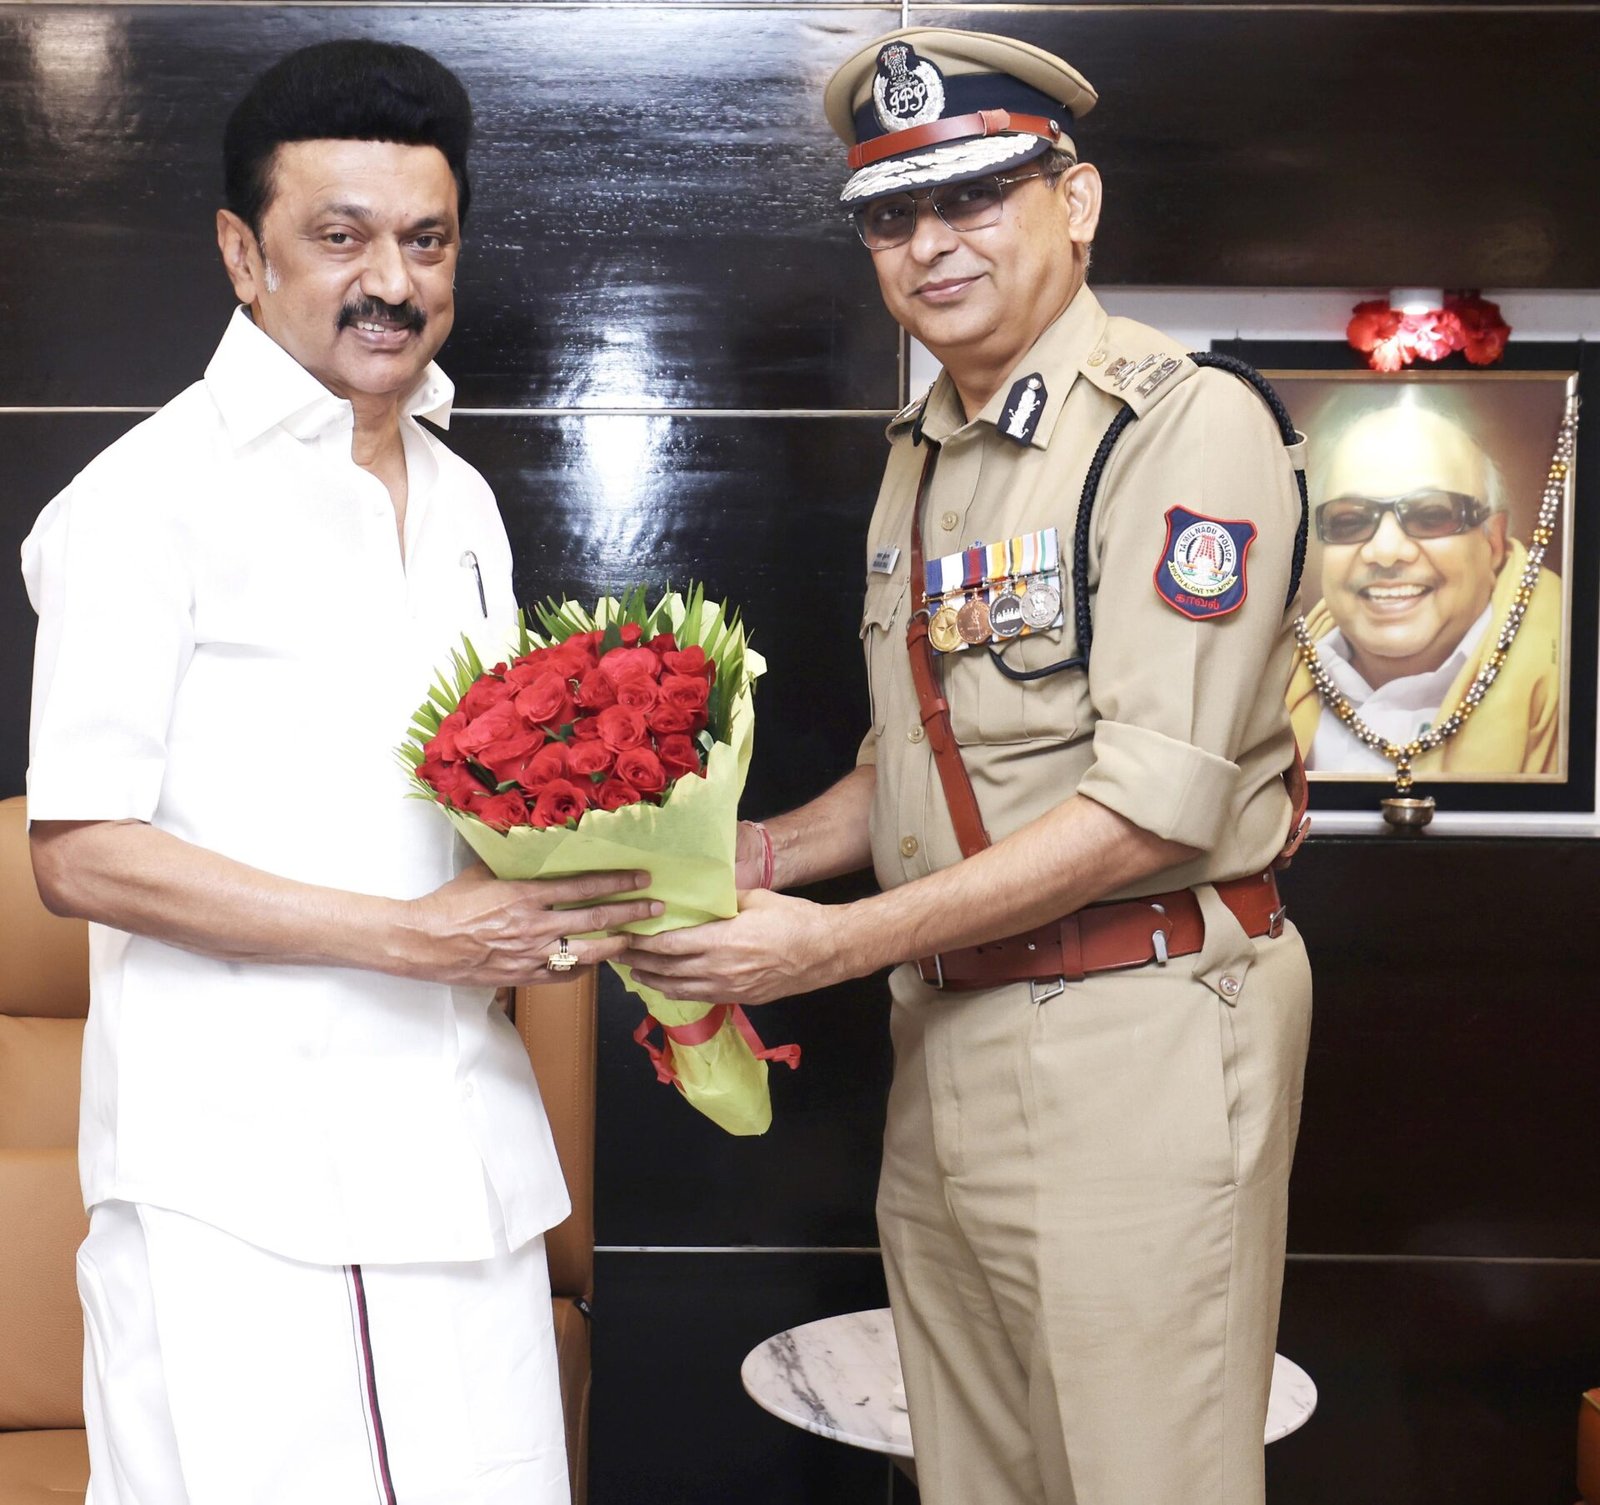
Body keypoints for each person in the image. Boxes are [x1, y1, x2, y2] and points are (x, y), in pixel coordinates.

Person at [622, 26, 1313, 1505]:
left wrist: (832, 944)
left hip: (1136, 1027)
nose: (930, 244)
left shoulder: (1180, 427)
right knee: (976, 1481)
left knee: (1144, 1481)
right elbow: (921, 762)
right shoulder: (929, 446)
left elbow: (1152, 806)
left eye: (974, 196)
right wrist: (755, 860)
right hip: (950, 1035)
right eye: (891, 215)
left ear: (1077, 201)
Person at [22, 40, 658, 1505]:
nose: (392, 281)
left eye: (426, 241)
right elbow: (79, 851)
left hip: (463, 1159)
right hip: (241, 1189)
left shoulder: (465, 497)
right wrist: (414, 938)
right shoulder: (142, 500)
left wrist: (613, 897)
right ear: (243, 255)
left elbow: (478, 811)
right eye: (341, 237)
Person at [1288, 402, 1562, 774]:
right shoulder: (1274, 673)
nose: (1386, 552)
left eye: (1431, 516)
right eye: (1350, 520)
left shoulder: (1573, 672)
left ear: (1493, 543)